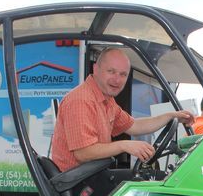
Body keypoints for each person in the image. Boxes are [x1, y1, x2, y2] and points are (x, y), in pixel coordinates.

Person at [51, 48, 194, 172]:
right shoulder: (82, 100)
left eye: (123, 74)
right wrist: (124, 145)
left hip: (93, 176)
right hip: (75, 184)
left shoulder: (106, 100)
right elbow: (83, 153)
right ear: (96, 69)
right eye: (111, 71)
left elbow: (135, 126)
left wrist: (171, 116)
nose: (117, 80)